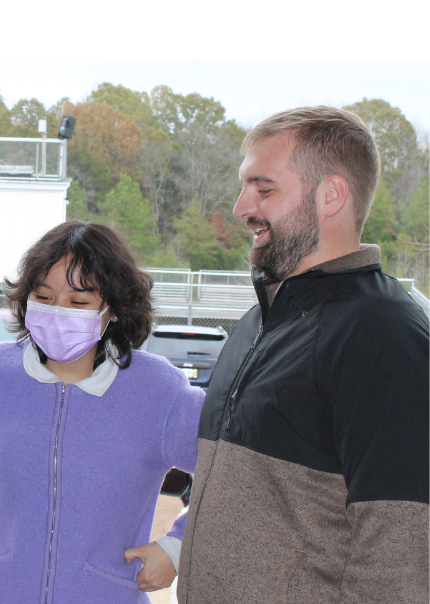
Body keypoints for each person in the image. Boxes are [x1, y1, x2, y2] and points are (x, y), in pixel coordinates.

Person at [177, 106, 430, 603]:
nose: (240, 206)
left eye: (263, 188)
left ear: (331, 194)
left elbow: (401, 558)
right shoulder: (258, 323)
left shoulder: (384, 337)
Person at [0, 221, 204, 604]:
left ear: (114, 310)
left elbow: (236, 475)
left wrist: (177, 546)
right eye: (44, 296)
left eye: (78, 302)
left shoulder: (160, 391)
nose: (58, 313)